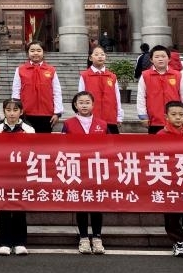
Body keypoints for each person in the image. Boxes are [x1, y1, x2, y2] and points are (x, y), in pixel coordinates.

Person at [63, 91, 109, 254]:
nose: (84, 105)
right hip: (78, 169)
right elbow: (62, 146)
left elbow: (110, 146)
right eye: (81, 102)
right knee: (81, 203)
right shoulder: (68, 124)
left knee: (97, 204)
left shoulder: (102, 124)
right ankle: (83, 237)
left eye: (87, 102)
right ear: (75, 105)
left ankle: (97, 237)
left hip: (97, 170)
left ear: (93, 105)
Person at [157, 100, 183, 257]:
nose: (178, 117)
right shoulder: (160, 135)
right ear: (166, 117)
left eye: (181, 114)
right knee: (172, 213)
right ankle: (177, 241)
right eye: (174, 114)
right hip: (170, 179)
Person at [0, 99, 34, 256]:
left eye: (15, 110)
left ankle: (20, 242)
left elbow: (33, 151)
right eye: (8, 110)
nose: (11, 113)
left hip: (21, 174)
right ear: (3, 111)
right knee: (3, 207)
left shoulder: (29, 130)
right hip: (2, 174)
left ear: (21, 112)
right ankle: (4, 242)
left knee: (19, 207)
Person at [11, 40, 63, 133]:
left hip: (47, 114)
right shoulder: (20, 70)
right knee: (26, 140)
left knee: (44, 140)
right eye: (32, 50)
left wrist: (57, 113)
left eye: (39, 50)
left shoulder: (51, 70)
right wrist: (16, 111)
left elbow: (57, 92)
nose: (35, 53)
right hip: (26, 113)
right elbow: (16, 92)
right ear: (27, 53)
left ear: (43, 52)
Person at [136, 45, 183, 134]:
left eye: (163, 56)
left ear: (169, 59)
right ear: (151, 59)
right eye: (157, 57)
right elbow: (141, 96)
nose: (160, 59)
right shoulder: (145, 75)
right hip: (154, 119)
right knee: (155, 142)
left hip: (175, 119)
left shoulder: (177, 75)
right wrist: (143, 115)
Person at [78, 46, 123, 134]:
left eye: (102, 54)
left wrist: (119, 116)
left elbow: (117, 97)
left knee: (112, 141)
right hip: (91, 118)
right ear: (90, 58)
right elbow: (80, 97)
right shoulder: (85, 76)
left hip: (110, 118)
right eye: (96, 54)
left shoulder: (112, 76)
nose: (100, 56)